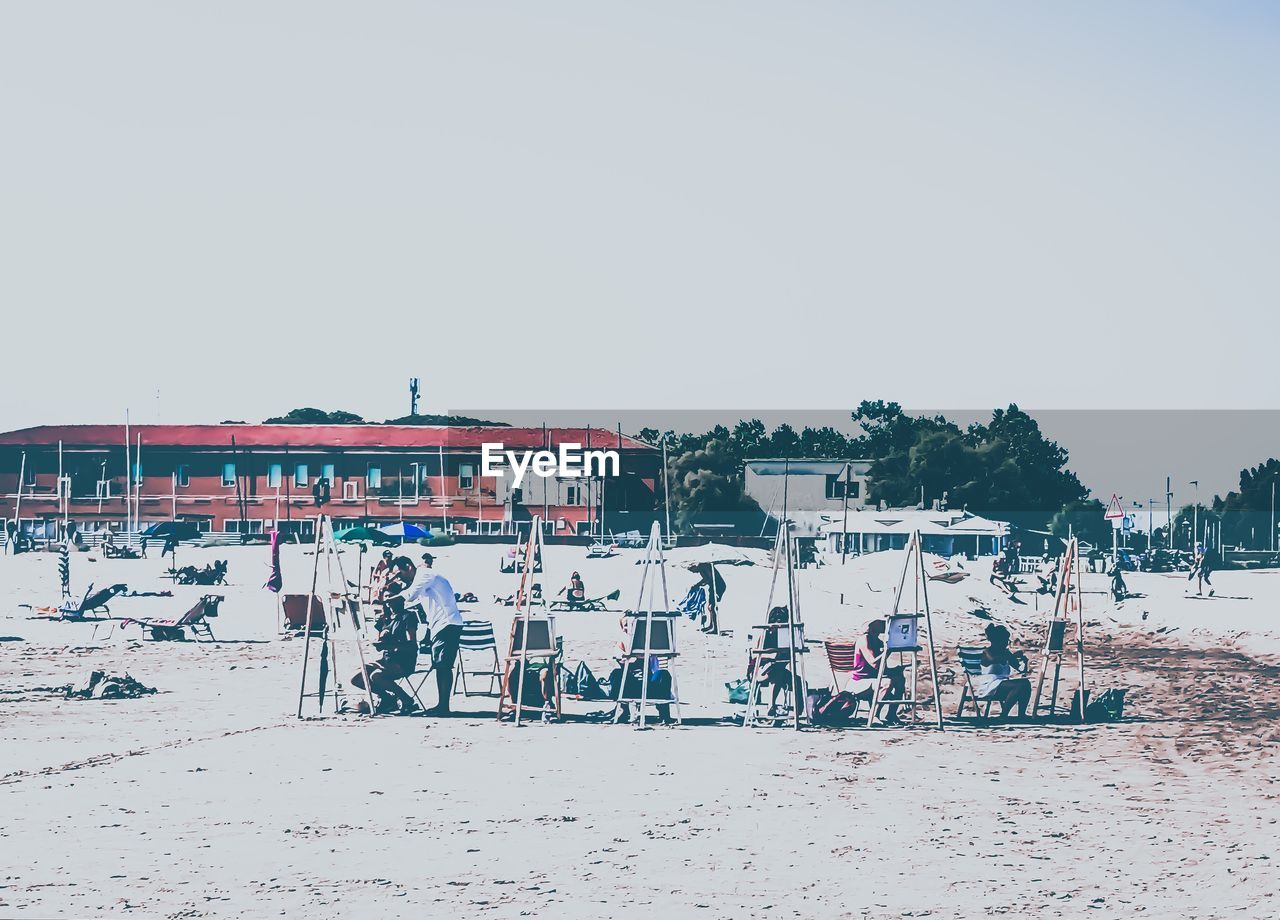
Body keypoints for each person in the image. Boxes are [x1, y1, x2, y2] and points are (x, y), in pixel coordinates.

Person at [389, 554, 464, 716]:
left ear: (408, 567)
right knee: (440, 665)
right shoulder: (423, 578)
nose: (399, 579)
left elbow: (410, 596)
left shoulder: (423, 575)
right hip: (442, 625)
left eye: (399, 574)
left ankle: (443, 707)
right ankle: (442, 705)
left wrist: (386, 599)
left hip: (446, 624)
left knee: (443, 666)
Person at [351, 593, 419, 715]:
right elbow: (380, 644)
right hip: (387, 659)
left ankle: (406, 699)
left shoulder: (408, 617)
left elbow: (412, 645)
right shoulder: (385, 618)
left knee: (376, 676)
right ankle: (387, 698)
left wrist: (390, 646)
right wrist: (379, 644)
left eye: (392, 599)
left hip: (403, 661)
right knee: (357, 677)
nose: (389, 603)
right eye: (387, 599)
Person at [836, 618, 905, 725]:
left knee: (899, 679)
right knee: (887, 683)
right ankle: (874, 716)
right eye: (880, 623)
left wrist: (896, 670)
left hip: (872, 680)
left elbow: (881, 669)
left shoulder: (878, 642)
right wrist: (888, 651)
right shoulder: (864, 639)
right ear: (872, 626)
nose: (883, 625)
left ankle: (891, 714)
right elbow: (874, 663)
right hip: (859, 682)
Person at [610, 615, 675, 724]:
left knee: (663, 674)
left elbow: (662, 656)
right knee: (616, 674)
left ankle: (664, 714)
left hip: (651, 685)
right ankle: (622, 709)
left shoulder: (649, 642)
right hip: (631, 686)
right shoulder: (621, 644)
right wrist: (629, 657)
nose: (627, 629)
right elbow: (617, 657)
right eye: (624, 626)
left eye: (629, 625)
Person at [750, 606, 802, 718]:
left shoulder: (785, 637)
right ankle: (771, 706)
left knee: (799, 681)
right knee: (777, 674)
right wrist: (771, 655)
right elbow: (755, 656)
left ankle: (800, 712)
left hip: (777, 670)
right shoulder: (765, 634)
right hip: (760, 671)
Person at [973, 623, 1031, 720]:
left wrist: (1024, 661)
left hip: (1001, 684)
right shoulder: (987, 652)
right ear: (997, 641)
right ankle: (1003, 715)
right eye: (1005, 641)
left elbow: (1020, 669)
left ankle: (1021, 714)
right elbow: (994, 660)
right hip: (988, 684)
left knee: (1025, 683)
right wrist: (1011, 656)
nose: (1006, 643)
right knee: (1020, 685)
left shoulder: (1006, 653)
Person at [694, 563, 727, 634]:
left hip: (718, 586)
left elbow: (709, 578)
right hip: (713, 586)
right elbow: (706, 579)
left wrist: (698, 584)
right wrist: (698, 584)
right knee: (710, 607)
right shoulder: (702, 568)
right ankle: (711, 626)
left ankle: (715, 628)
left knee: (712, 607)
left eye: (691, 570)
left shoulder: (703, 566)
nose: (693, 572)